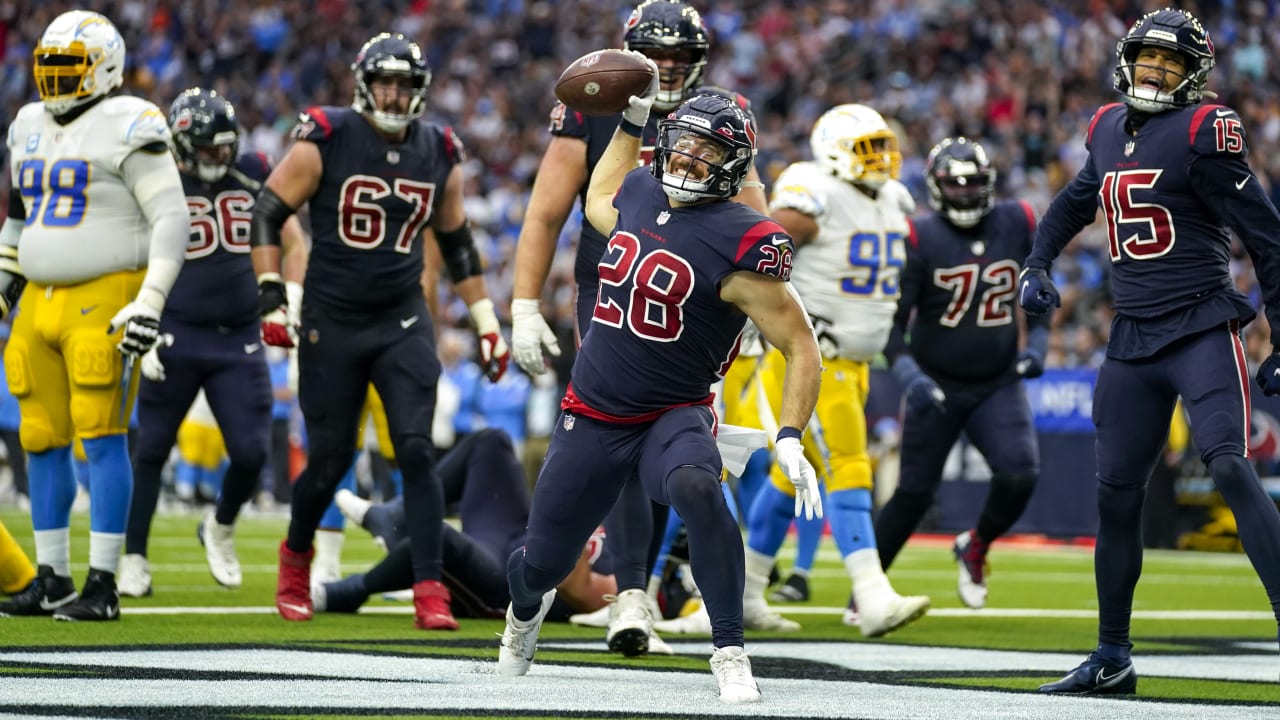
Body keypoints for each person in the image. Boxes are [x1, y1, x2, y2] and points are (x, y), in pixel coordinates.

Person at [497, 84, 823, 705]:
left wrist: (788, 435)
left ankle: (729, 649)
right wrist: (632, 121)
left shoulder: (748, 239)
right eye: (683, 144)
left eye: (706, 151)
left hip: (672, 412)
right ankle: (522, 614)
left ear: (731, 166)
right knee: (539, 566)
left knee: (699, 488)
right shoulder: (643, 189)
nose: (686, 159)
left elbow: (802, 345)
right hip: (592, 411)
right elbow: (597, 196)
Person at [1021, 8, 1280, 694]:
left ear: (1193, 75)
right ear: (1128, 60)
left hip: (1198, 325)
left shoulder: (1205, 129)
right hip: (1133, 335)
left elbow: (1268, 236)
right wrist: (1037, 262)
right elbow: (1077, 200)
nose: (1156, 71)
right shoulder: (1106, 126)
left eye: (1171, 62)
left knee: (1227, 463)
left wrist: (1278, 332)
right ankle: (1112, 657)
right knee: (1114, 496)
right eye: (1148, 58)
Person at [509, 0, 770, 656]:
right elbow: (546, 213)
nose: (666, 69)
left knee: (668, 445)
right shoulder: (596, 104)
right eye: (656, 57)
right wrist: (522, 302)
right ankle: (631, 593)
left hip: (696, 299)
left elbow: (753, 204)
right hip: (613, 290)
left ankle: (642, 588)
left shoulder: (717, 112)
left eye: (679, 59)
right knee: (625, 438)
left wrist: (767, 301)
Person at [249, 32, 510, 630]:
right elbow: (268, 208)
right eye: (385, 83)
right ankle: (295, 557)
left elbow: (457, 241)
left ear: (419, 91)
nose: (394, 96)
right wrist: (271, 296)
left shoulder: (439, 148)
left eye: (405, 85)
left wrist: (486, 322)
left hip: (402, 318)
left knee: (417, 451)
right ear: (365, 84)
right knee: (329, 460)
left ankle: (427, 585)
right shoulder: (328, 135)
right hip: (331, 321)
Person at [0, 10, 188, 621]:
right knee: (40, 437)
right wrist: (5, 281)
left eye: (69, 67)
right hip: (39, 300)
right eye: (49, 67)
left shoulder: (130, 121)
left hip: (105, 293)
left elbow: (171, 218)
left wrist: (151, 299)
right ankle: (50, 576)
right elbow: (21, 215)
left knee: (100, 434)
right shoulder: (27, 122)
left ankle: (103, 583)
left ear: (104, 67)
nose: (55, 80)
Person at [739, 104, 929, 637]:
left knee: (788, 479)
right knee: (850, 461)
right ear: (833, 151)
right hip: (816, 357)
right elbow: (761, 245)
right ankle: (870, 594)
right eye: (867, 148)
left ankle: (745, 594)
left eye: (883, 147)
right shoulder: (812, 189)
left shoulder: (893, 197)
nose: (881, 159)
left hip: (859, 361)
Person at [118, 88, 308, 598]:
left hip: (238, 336)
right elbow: (132, 251)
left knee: (250, 452)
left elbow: (293, 239)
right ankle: (133, 556)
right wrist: (145, 318)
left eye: (224, 147)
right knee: (152, 449)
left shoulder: (252, 170)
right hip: (175, 328)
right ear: (180, 144)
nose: (217, 158)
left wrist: (288, 294)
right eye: (206, 149)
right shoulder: (158, 178)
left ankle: (219, 527)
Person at [873, 136, 1046, 610]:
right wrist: (910, 376)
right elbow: (890, 323)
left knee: (1019, 474)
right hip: (937, 383)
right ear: (935, 186)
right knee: (912, 493)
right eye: (956, 184)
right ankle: (868, 589)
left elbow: (1041, 288)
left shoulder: (1018, 221)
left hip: (997, 380)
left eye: (974, 183)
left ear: (990, 184)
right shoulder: (919, 235)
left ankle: (977, 544)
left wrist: (1042, 342)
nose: (966, 192)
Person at [318, 428, 615, 620]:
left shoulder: (654, 546)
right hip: (520, 535)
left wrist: (570, 509)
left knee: (437, 536)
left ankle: (353, 589)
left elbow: (584, 592)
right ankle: (396, 515)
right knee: (490, 443)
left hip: (523, 583)